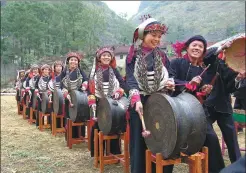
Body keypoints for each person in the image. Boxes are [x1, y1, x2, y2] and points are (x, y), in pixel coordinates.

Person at [170, 35, 226, 173]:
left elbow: (199, 93)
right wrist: (187, 84)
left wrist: (204, 90)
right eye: (194, 45)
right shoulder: (176, 63)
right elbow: (170, 81)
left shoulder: (202, 68)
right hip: (176, 109)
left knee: (212, 139)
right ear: (187, 47)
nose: (197, 48)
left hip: (197, 111)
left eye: (201, 47)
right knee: (170, 143)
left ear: (203, 51)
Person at [125, 17, 174, 173]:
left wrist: (170, 83)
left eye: (159, 36)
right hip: (140, 101)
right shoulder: (133, 55)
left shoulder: (162, 55)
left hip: (159, 102)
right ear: (143, 35)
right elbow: (131, 80)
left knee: (159, 136)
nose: (157, 39)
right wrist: (136, 99)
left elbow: (171, 73)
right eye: (154, 35)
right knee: (139, 141)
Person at [203, 44, 245, 165]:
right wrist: (222, 47)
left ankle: (238, 166)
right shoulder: (214, 61)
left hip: (224, 106)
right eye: (226, 52)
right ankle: (213, 164)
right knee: (208, 135)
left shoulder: (235, 68)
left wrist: (238, 78)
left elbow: (231, 88)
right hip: (208, 104)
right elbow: (207, 55)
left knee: (232, 140)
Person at [87, 46, 128, 157]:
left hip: (113, 102)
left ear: (111, 58)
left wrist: (119, 91)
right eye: (104, 55)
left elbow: (123, 84)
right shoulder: (93, 71)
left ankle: (113, 153)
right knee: (99, 127)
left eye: (108, 55)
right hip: (98, 103)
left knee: (114, 126)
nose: (106, 57)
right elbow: (89, 89)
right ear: (99, 58)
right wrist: (92, 101)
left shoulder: (114, 70)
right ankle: (98, 154)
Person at [60, 52, 88, 138]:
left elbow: (86, 80)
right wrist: (65, 93)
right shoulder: (64, 72)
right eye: (72, 60)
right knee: (70, 116)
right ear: (68, 61)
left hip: (79, 96)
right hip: (69, 96)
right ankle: (70, 136)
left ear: (78, 62)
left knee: (81, 114)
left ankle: (80, 135)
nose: (74, 62)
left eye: (75, 60)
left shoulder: (81, 71)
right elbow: (61, 84)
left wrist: (84, 85)